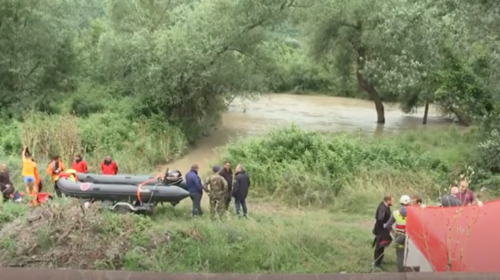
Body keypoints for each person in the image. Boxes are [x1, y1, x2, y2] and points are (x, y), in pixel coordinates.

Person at [384, 195, 411, 272]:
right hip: (409, 237)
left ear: (400, 203)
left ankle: (400, 272)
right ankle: (407, 271)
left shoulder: (395, 213)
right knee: (408, 254)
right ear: (409, 203)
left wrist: (393, 232)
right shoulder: (413, 213)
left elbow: (387, 225)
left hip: (398, 236)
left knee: (400, 255)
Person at [372, 194, 394, 269]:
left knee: (382, 245)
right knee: (379, 245)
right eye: (392, 200)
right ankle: (377, 263)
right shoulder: (382, 208)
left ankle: (379, 260)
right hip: (380, 230)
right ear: (388, 201)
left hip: (383, 230)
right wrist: (385, 225)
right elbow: (380, 219)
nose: (393, 202)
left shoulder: (386, 206)